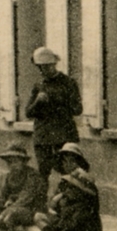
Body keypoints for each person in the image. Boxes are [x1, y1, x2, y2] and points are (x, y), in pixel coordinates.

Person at [34, 143, 104, 231]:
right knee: (40, 219)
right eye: (64, 161)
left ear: (78, 163)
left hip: (82, 229)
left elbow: (79, 218)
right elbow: (55, 208)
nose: (67, 165)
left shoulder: (85, 185)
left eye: (71, 161)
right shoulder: (64, 183)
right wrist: (56, 200)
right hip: (66, 223)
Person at [24, 47, 82, 185]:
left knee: (68, 173)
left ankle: (66, 204)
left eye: (45, 67)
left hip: (63, 135)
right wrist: (38, 101)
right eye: (40, 67)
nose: (42, 71)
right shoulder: (38, 85)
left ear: (53, 64)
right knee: (43, 173)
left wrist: (57, 101)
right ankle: (41, 205)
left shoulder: (68, 83)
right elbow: (28, 113)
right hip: (43, 137)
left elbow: (77, 109)